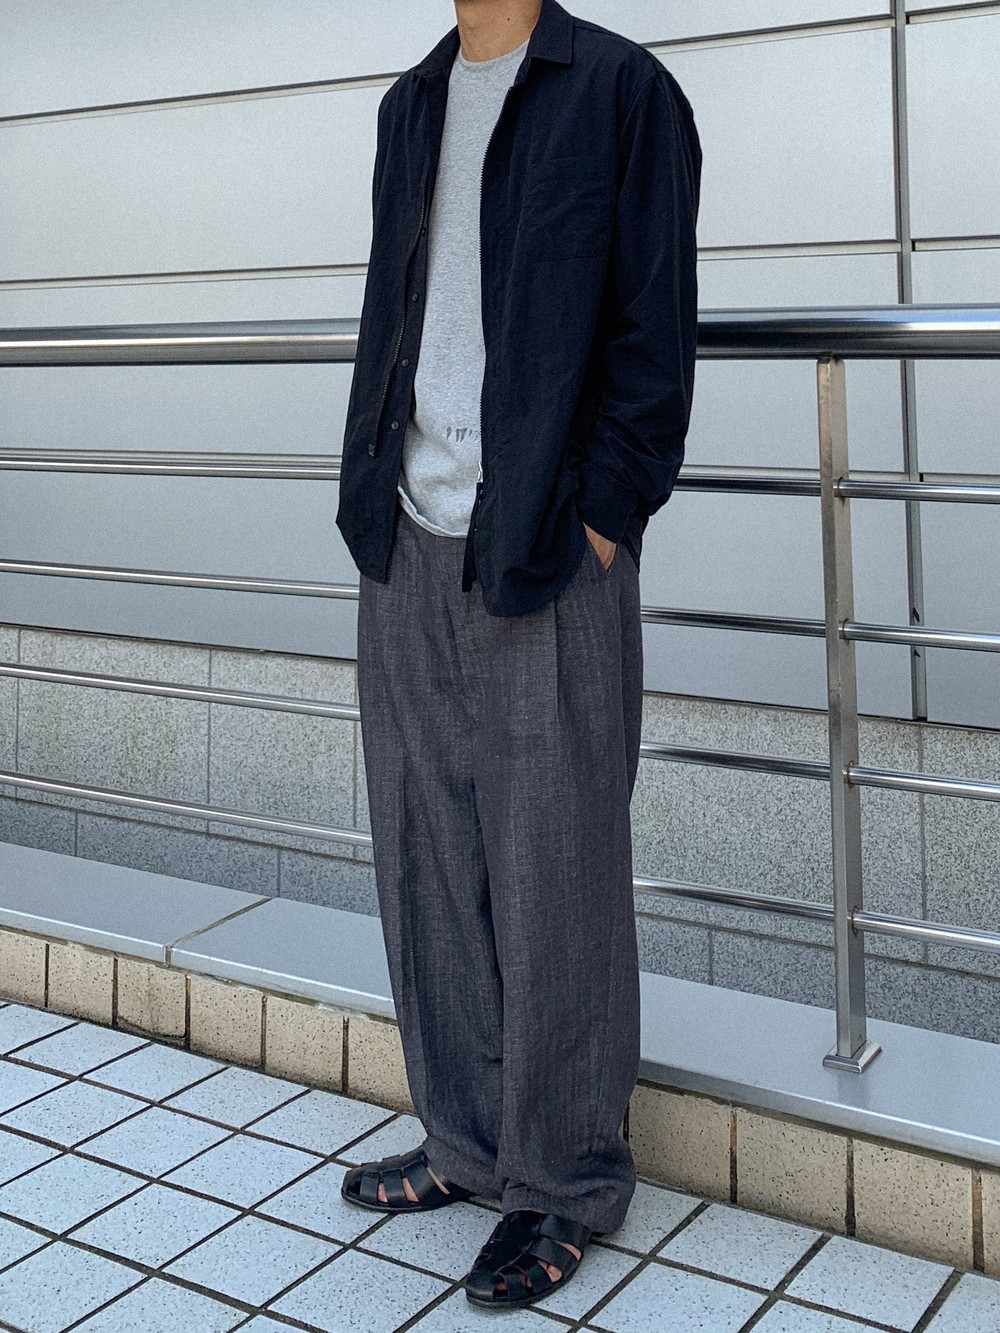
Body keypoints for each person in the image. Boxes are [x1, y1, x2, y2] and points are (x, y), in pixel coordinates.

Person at [335, 0, 701, 1311]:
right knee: (427, 855)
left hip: (547, 543)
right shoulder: (410, 106)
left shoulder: (621, 92)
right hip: (406, 539)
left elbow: (654, 337)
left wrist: (604, 519)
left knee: (558, 867)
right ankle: (467, 1141)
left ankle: (566, 1177)